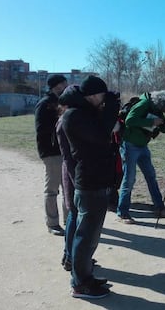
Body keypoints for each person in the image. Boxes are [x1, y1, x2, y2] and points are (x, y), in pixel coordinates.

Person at [62, 75, 120, 299]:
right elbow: (101, 133)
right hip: (90, 182)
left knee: (88, 236)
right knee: (86, 237)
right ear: (94, 95)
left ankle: (84, 277)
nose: (104, 101)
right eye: (102, 97)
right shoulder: (74, 115)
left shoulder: (83, 113)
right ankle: (80, 283)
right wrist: (112, 107)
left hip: (94, 180)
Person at [116, 90, 165, 224]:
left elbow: (163, 129)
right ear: (163, 103)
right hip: (130, 145)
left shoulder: (157, 108)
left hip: (143, 146)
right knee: (129, 179)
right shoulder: (144, 103)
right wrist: (151, 122)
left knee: (151, 176)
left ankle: (159, 208)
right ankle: (123, 213)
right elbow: (130, 120)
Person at [34, 74, 68, 236]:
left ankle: (70, 221)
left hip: (65, 151)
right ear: (57, 86)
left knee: (68, 189)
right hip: (52, 153)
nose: (66, 86)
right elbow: (42, 131)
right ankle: (52, 223)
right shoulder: (45, 104)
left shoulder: (62, 101)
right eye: (63, 83)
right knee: (52, 190)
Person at [56, 85, 80, 271]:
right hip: (73, 173)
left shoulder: (70, 118)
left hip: (73, 171)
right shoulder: (66, 120)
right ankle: (71, 257)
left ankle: (70, 255)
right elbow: (68, 156)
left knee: (75, 214)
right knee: (73, 214)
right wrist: (76, 180)